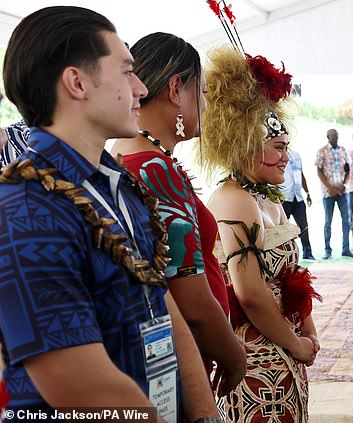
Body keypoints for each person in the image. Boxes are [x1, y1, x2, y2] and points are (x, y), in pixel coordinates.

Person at [0, 6, 219, 422]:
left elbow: (162, 304)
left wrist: (204, 414)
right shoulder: (25, 209)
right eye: (126, 70)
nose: (140, 87)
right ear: (77, 82)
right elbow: (79, 386)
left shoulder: (117, 184)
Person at [110, 32, 246, 398]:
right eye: (200, 92)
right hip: (177, 357)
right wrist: (234, 356)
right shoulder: (156, 168)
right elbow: (190, 294)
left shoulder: (123, 155)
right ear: (175, 88)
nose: (204, 103)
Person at [200, 44, 321, 422]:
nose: (287, 156)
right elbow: (249, 293)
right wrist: (297, 345)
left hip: (284, 354)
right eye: (278, 147)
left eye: (287, 147)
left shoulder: (267, 197)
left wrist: (308, 334)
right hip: (255, 364)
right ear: (249, 146)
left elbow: (291, 279)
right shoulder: (235, 200)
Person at [315, 128, 353, 259]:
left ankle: (346, 249)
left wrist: (344, 185)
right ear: (327, 136)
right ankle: (327, 250)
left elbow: (348, 169)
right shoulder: (322, 151)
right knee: (328, 221)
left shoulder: (342, 150)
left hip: (342, 192)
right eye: (333, 136)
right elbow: (319, 171)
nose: (335, 138)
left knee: (346, 220)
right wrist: (330, 188)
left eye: (337, 136)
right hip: (328, 193)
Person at [281, 148, 317, 261]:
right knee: (282, 227)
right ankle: (283, 254)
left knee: (303, 225)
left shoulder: (296, 155)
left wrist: (307, 192)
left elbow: (301, 174)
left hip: (298, 196)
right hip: (284, 196)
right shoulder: (278, 154)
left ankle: (307, 252)